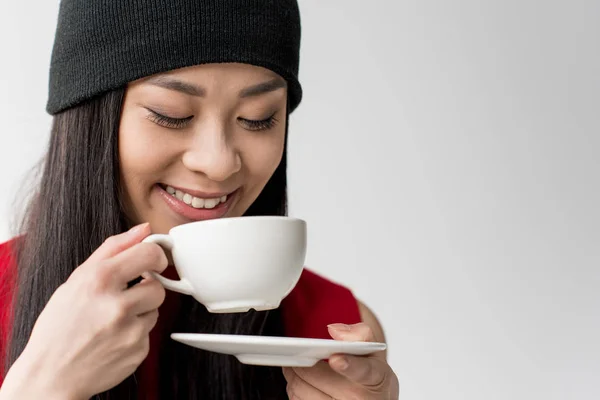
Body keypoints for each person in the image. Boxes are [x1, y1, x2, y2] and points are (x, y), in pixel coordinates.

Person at [0, 0, 399, 398]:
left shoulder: (333, 336)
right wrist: (40, 386)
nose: (219, 163)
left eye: (258, 118)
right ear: (90, 117)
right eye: (171, 114)